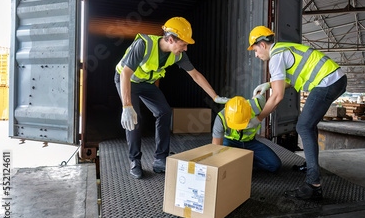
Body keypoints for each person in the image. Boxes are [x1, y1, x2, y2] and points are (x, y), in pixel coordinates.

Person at [115, 17, 229, 179]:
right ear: (170, 39)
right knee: (135, 118)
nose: (186, 48)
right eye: (183, 44)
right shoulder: (144, 45)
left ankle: (160, 159)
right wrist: (127, 106)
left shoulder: (178, 55)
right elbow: (126, 73)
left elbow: (195, 75)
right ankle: (135, 161)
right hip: (127, 80)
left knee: (164, 112)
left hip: (146, 83)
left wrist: (215, 97)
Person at [246, 26, 347, 200]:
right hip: (335, 79)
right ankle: (311, 166)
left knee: (303, 126)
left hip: (327, 81)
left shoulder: (276, 57)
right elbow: (289, 82)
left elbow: (277, 97)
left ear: (262, 44)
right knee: (309, 125)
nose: (256, 55)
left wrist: (258, 118)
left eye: (255, 50)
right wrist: (268, 85)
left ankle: (313, 186)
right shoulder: (283, 49)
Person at [212, 96, 281, 172]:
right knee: (229, 167)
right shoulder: (221, 118)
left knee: (275, 165)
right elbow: (216, 148)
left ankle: (245, 161)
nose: (238, 129)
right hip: (230, 142)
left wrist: (259, 118)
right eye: (235, 125)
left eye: (241, 124)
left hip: (250, 142)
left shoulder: (257, 106)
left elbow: (275, 102)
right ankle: (242, 162)